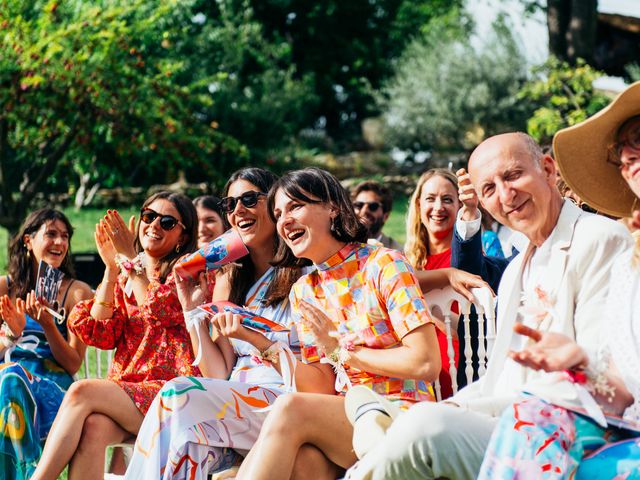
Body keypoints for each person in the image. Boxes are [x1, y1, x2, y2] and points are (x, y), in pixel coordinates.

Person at [343, 132, 632, 480]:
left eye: (512, 176)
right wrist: (457, 404)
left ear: (548, 169)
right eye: (489, 189)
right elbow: (498, 379)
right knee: (383, 409)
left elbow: (598, 377)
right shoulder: (514, 271)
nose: (506, 195)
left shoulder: (599, 238)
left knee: (424, 430)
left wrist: (457, 410)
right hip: (508, 420)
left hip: (568, 432)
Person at [236, 167, 441, 480]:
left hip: (403, 412)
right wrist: (263, 344)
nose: (284, 221)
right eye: (278, 214)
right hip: (350, 417)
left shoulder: (383, 264)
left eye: (295, 207)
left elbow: (425, 362)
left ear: (332, 207)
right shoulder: (304, 292)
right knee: (305, 463)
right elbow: (321, 385)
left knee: (290, 408)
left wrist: (342, 352)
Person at [479, 82, 640, 479]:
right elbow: (621, 391)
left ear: (548, 170)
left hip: (606, 435)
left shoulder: (603, 242)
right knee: (530, 422)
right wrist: (580, 362)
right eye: (620, 154)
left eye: (639, 140)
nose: (628, 156)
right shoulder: (630, 264)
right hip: (621, 431)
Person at [123, 167, 304, 480]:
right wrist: (192, 309)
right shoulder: (231, 281)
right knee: (189, 449)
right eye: (230, 205)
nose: (237, 211)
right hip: (234, 400)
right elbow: (219, 372)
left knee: (176, 392)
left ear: (274, 205)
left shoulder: (302, 273)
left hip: (283, 398)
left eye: (249, 199)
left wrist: (252, 335)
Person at [31, 191, 201, 480]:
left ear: (183, 237)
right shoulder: (125, 274)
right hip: (128, 394)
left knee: (81, 390)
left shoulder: (188, 272)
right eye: (149, 217)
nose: (154, 225)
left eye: (167, 221)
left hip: (172, 395)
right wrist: (112, 269)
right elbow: (99, 333)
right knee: (93, 427)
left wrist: (129, 260)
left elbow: (158, 309)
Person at [0, 209, 93, 480]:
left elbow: (74, 362)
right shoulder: (4, 289)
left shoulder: (77, 292)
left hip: (52, 389)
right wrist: (10, 335)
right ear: (28, 240)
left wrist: (49, 326)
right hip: (5, 382)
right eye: (51, 234)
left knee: (11, 377)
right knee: (10, 377)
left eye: (65, 236)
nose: (60, 242)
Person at [405, 168, 463, 397]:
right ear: (419, 206)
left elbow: (471, 330)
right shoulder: (406, 261)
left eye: (447, 200)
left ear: (459, 206)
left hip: (455, 374)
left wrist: (425, 306)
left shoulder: (465, 260)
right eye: (431, 199)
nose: (438, 207)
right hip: (414, 373)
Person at [351, 180, 402, 250]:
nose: (364, 211)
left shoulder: (397, 252)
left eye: (373, 206)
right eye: (358, 205)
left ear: (385, 216)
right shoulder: (339, 245)